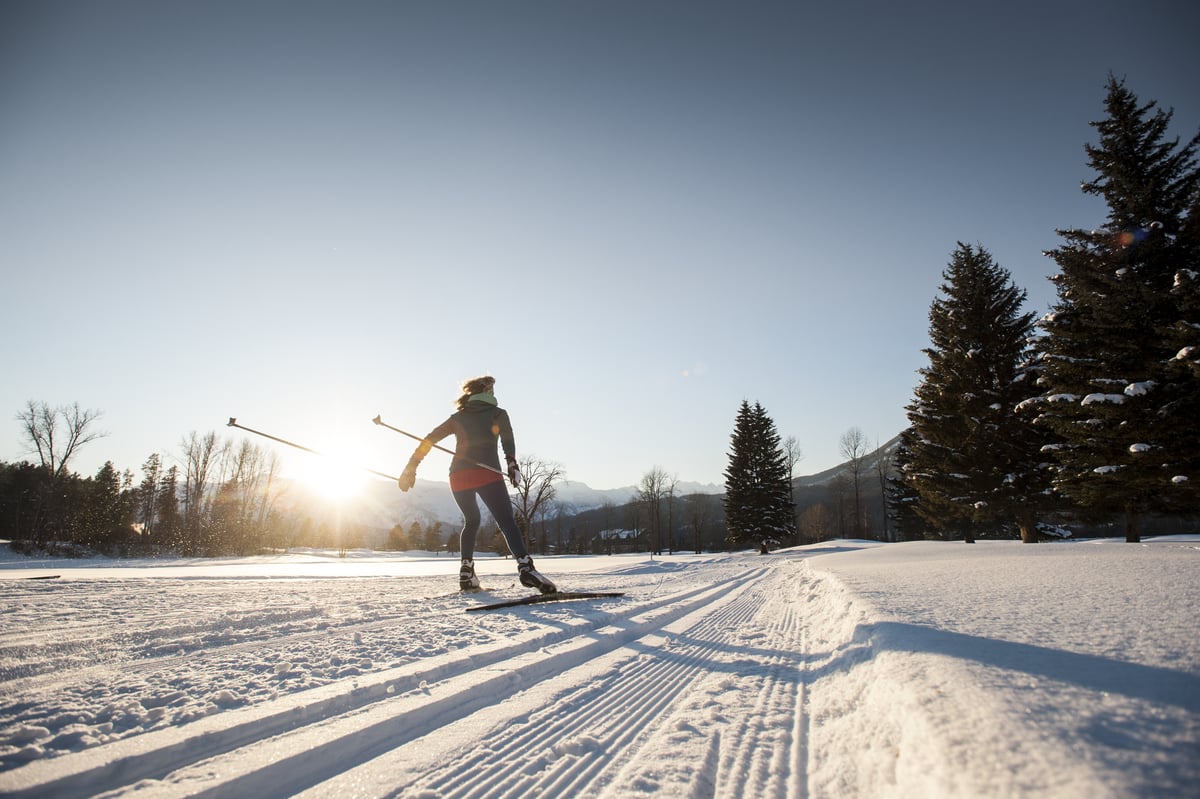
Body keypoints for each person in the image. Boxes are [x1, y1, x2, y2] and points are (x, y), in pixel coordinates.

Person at [396, 376, 557, 594]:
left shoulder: (458, 417)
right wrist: (512, 464)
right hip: (487, 473)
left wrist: (411, 466)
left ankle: (466, 571)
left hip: (458, 476)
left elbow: (430, 439)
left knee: (471, 521)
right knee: (507, 522)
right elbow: (507, 439)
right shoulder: (498, 413)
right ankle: (526, 568)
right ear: (487, 391)